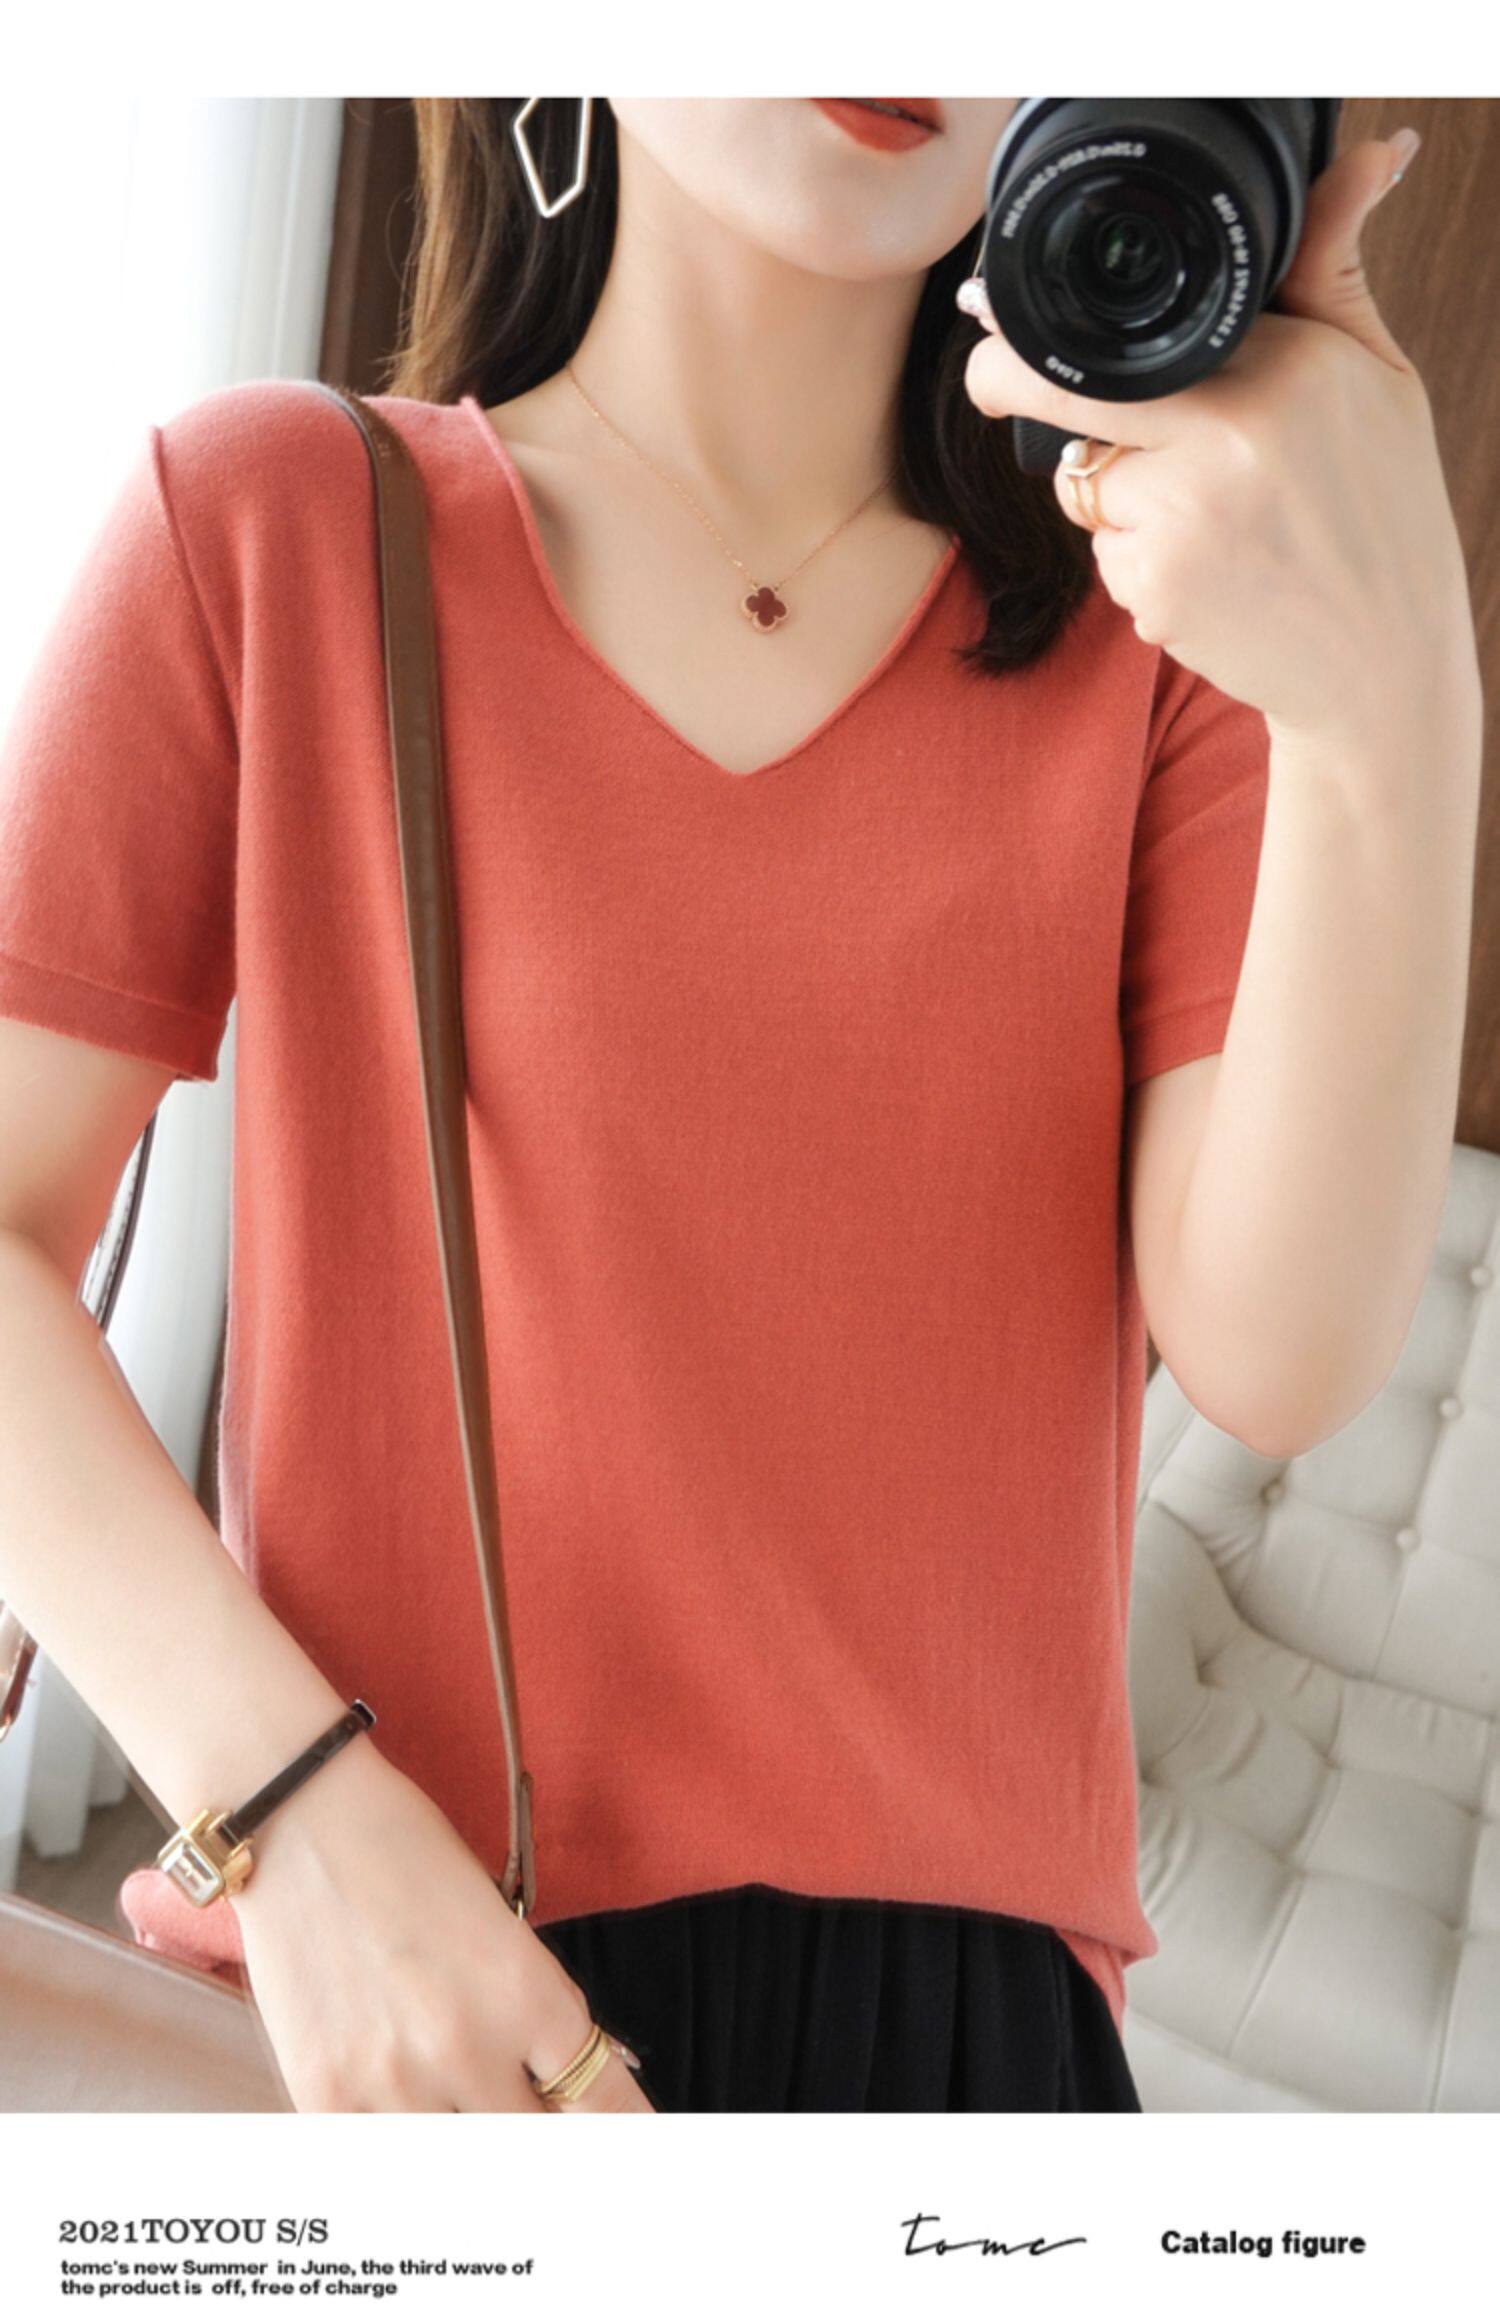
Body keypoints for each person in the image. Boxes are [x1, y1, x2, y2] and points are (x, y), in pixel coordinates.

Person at [0, 99, 1480, 2114]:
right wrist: (295, 1815)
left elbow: (1281, 1354)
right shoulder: (269, 521)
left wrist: (1395, 700)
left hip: (961, 2049)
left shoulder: (1166, 656)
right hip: (425, 1993)